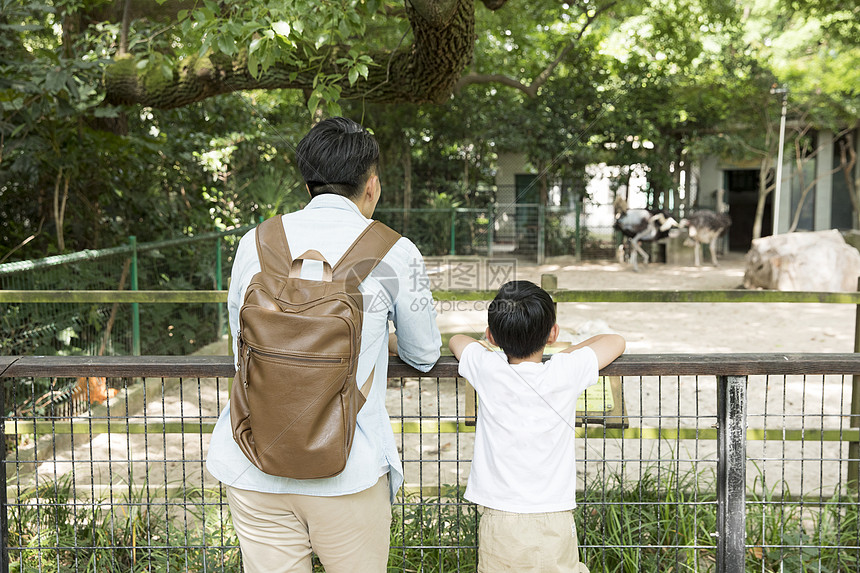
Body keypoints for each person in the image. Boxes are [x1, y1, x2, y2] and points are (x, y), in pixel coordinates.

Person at [206, 117, 441, 573]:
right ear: (371, 186)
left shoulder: (254, 243)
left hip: (250, 459)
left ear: (308, 181)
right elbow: (424, 354)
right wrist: (376, 339)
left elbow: (242, 339)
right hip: (349, 469)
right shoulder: (397, 251)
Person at [448, 280, 626, 573]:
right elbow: (614, 340)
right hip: (553, 512)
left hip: (499, 514)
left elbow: (458, 340)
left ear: (492, 336)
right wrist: (564, 356)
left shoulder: (487, 368)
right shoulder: (565, 371)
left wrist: (488, 345)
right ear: (553, 333)